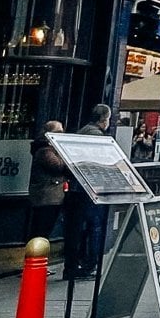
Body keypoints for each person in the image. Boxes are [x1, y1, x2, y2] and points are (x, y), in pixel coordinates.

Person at [64, 103, 113, 279]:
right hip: (91, 189)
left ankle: (73, 265)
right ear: (104, 119)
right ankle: (88, 265)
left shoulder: (82, 131)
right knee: (94, 227)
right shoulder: (96, 136)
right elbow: (101, 162)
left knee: (78, 229)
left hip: (77, 188)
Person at [27, 121, 66, 243]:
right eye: (59, 132)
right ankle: (34, 257)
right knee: (40, 231)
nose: (62, 135)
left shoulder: (51, 149)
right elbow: (58, 166)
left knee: (44, 231)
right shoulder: (44, 151)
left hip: (52, 196)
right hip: (46, 197)